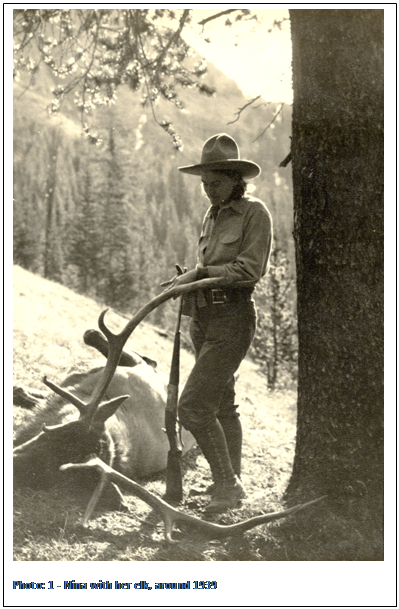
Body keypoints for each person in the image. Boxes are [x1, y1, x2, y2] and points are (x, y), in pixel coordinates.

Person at [162, 134, 273, 514]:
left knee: (192, 407)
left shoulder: (255, 214)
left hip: (233, 319)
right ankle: (228, 486)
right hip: (204, 320)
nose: (208, 191)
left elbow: (248, 270)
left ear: (235, 180)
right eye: (204, 184)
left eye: (216, 184)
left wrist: (198, 274)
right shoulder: (212, 214)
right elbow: (208, 266)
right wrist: (190, 280)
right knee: (223, 404)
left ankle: (228, 484)